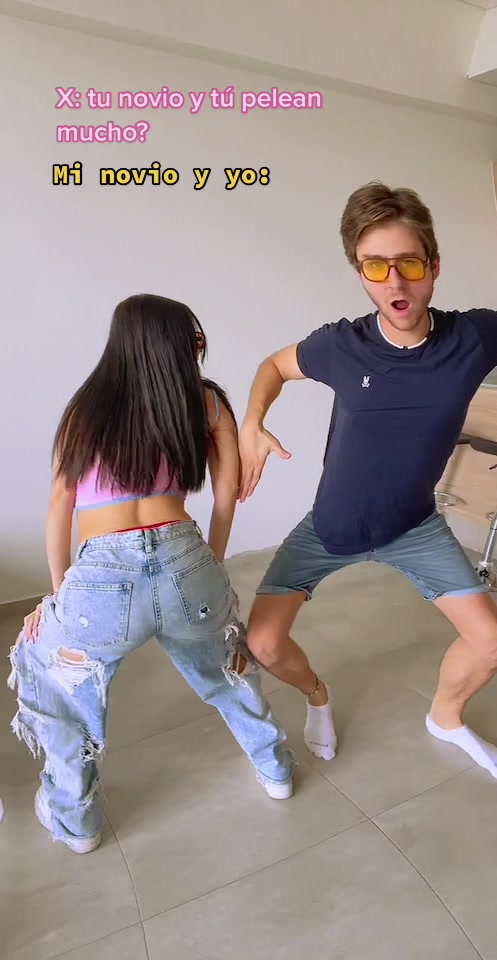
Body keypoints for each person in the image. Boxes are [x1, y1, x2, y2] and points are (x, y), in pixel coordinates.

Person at [237, 180, 497, 784]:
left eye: (409, 263)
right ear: (360, 272)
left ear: (434, 266)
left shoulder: (475, 336)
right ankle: (318, 695)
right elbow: (274, 365)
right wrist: (253, 421)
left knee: (494, 642)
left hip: (414, 525)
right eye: (376, 266)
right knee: (264, 645)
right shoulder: (340, 345)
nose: (395, 282)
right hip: (332, 526)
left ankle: (446, 718)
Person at [8, 293, 292, 855]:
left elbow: (60, 505)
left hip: (101, 575)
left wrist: (60, 593)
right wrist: (211, 565)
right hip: (188, 560)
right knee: (227, 671)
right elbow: (226, 498)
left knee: (53, 681)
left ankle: (76, 820)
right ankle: (276, 768)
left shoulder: (85, 408)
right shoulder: (206, 401)